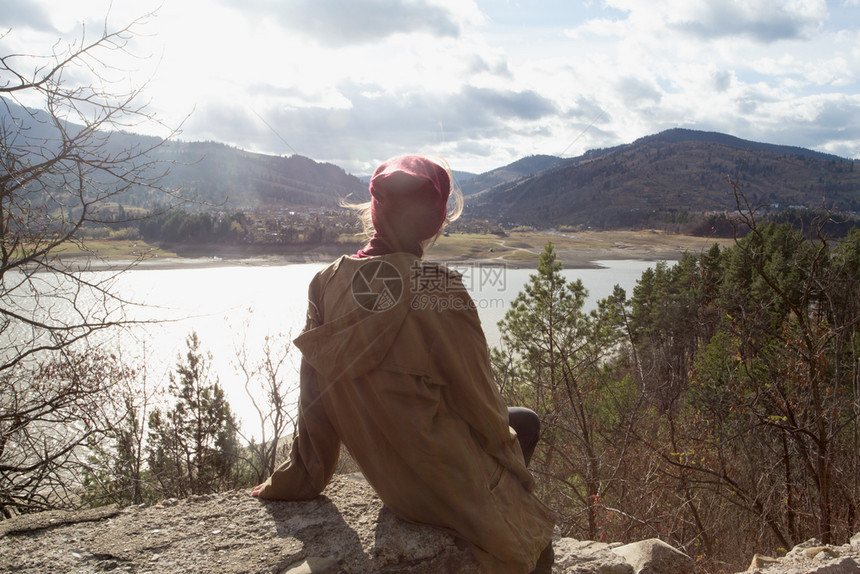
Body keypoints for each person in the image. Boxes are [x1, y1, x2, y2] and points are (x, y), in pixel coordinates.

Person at [252, 155, 555, 573]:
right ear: (435, 221)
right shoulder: (439, 288)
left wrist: (296, 479)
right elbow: (483, 410)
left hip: (392, 483)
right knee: (537, 544)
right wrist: (518, 489)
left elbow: (314, 405)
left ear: (374, 214)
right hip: (443, 484)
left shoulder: (324, 282)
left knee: (523, 419)